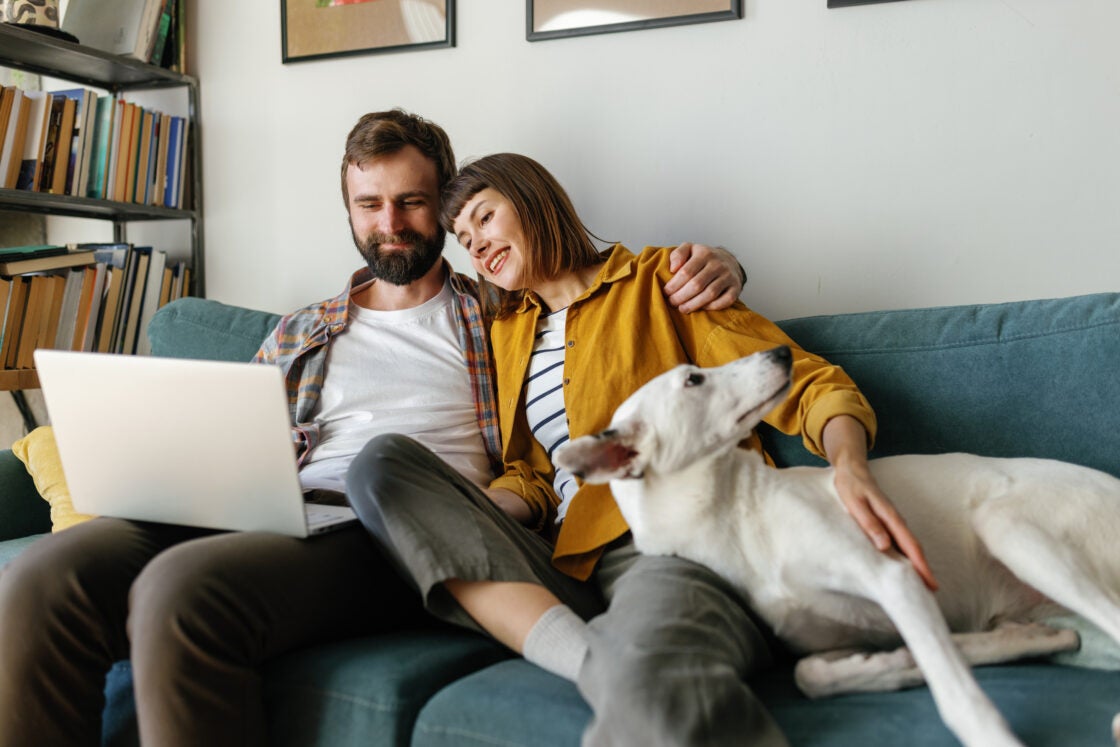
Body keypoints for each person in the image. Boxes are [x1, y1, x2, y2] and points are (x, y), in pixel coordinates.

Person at [0, 110, 743, 746]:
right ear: (350, 210)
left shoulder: (503, 313)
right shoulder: (301, 330)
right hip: (267, 508)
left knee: (180, 590)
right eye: (370, 204)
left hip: (384, 529)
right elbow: (223, 433)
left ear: (445, 207)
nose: (390, 224)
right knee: (42, 577)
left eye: (412, 202)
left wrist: (719, 264)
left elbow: (601, 311)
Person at [427, 152, 935, 746]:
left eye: (485, 218)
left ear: (533, 199)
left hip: (656, 545)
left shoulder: (661, 281)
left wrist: (849, 466)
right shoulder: (506, 333)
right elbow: (536, 474)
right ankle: (591, 650)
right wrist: (474, 510)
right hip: (556, 557)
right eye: (465, 240)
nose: (478, 247)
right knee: (386, 468)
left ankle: (606, 657)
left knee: (650, 689)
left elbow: (803, 383)